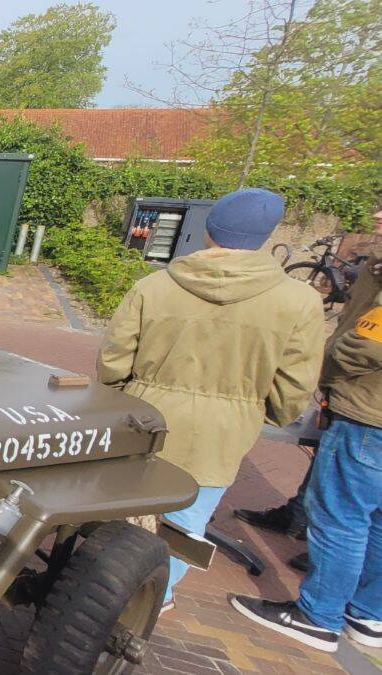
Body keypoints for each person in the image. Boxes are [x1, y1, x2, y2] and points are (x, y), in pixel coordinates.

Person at [97, 188, 323, 613]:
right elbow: (294, 387)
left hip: (144, 417)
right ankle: (152, 600)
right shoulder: (300, 302)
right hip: (223, 428)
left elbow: (112, 362)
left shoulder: (155, 286)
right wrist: (258, 409)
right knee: (187, 520)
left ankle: (101, 588)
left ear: (209, 229)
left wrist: (123, 393)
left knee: (122, 508)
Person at [229, 203, 382, 653]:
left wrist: (321, 370)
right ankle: (367, 614)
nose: (375, 214)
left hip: (370, 416)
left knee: (342, 518)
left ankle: (318, 615)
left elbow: (362, 349)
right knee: (374, 519)